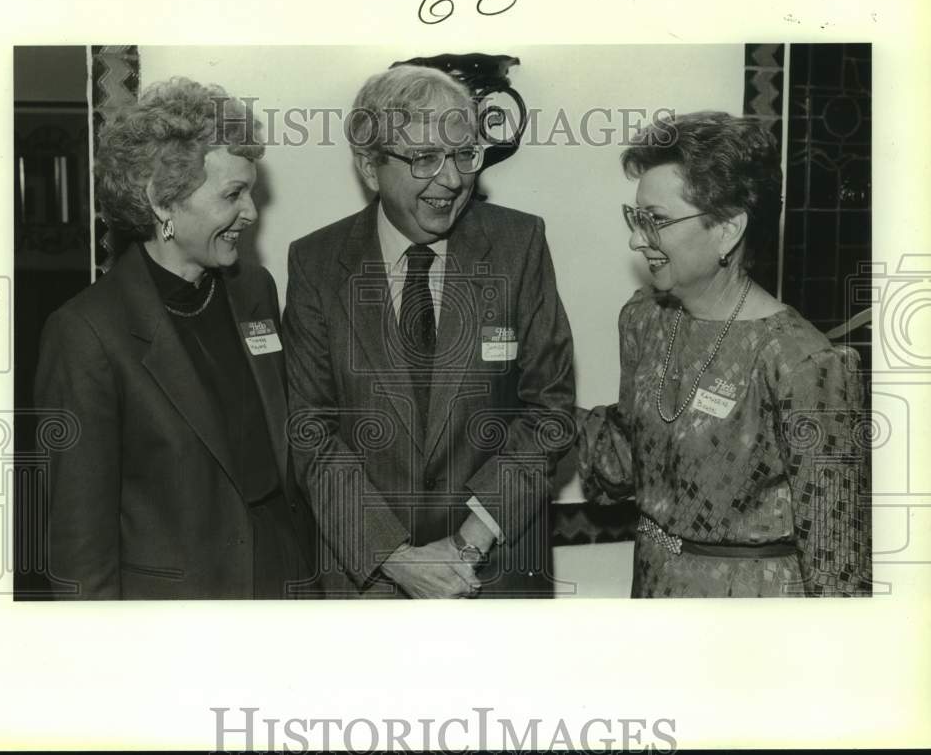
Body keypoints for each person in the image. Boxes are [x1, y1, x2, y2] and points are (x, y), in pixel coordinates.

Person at [282, 65, 575, 598]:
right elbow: (311, 430)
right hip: (370, 583)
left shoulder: (519, 244)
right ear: (371, 168)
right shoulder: (316, 264)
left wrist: (467, 544)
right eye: (423, 158)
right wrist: (396, 557)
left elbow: (549, 412)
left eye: (464, 154)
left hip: (494, 573)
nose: (452, 179)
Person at [36, 77, 320, 599]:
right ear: (162, 203)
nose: (252, 212)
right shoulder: (86, 334)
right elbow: (79, 546)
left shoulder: (254, 289)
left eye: (251, 191)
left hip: (286, 577)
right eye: (233, 194)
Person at [578, 111, 871, 597]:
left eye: (657, 221)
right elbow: (629, 458)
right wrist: (539, 408)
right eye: (636, 218)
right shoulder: (645, 321)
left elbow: (837, 566)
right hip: (652, 591)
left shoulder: (804, 363)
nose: (635, 239)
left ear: (728, 230)